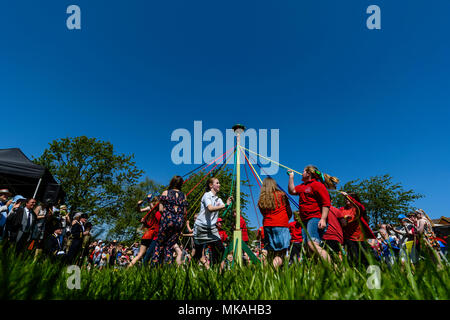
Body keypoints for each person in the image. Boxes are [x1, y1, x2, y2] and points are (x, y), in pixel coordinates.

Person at [288, 165, 338, 262]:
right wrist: (291, 177)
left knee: (312, 244)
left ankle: (333, 267)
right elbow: (292, 190)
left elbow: (326, 202)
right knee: (308, 248)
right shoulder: (302, 186)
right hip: (305, 220)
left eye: (303, 171)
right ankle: (321, 269)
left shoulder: (317, 185)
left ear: (308, 173)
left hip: (315, 218)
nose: (302, 173)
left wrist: (323, 219)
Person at [193, 177, 232, 267]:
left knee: (221, 249)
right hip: (200, 227)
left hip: (211, 228)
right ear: (211, 185)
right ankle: (189, 271)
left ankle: (217, 270)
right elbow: (210, 208)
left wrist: (228, 204)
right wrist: (225, 205)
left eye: (219, 183)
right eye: (217, 183)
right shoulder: (207, 195)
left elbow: (224, 206)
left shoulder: (218, 199)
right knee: (198, 253)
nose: (219, 185)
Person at [151, 176, 189, 265]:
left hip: (168, 220)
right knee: (170, 246)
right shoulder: (184, 195)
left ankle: (153, 266)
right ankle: (168, 268)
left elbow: (160, 209)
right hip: (179, 221)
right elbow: (184, 212)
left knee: (159, 244)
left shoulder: (165, 193)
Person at [258, 177, 292, 268]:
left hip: (267, 226)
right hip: (281, 224)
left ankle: (265, 271)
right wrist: (286, 218)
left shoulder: (261, 199)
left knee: (270, 251)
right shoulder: (282, 195)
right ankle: (273, 269)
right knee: (281, 253)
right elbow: (289, 211)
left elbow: (263, 214)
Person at [339, 191, 376, 266]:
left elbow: (361, 207)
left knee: (365, 258)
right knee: (354, 257)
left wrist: (348, 196)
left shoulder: (358, 208)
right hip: (349, 237)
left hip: (360, 237)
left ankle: (368, 273)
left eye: (348, 198)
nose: (347, 199)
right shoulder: (342, 209)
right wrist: (344, 220)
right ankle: (356, 273)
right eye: (345, 198)